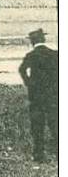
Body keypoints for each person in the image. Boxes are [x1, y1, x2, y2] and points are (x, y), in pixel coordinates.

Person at [18, 29, 58, 163]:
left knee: (37, 125)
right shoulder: (54, 54)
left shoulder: (31, 55)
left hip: (36, 96)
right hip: (53, 95)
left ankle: (39, 154)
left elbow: (21, 69)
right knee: (55, 123)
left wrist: (29, 83)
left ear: (32, 42)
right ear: (44, 40)